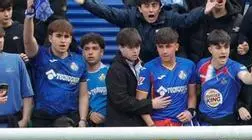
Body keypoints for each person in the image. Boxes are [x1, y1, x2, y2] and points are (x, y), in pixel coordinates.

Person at [76, 0, 213, 62]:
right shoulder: (130, 16)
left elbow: (187, 19)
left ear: (160, 7)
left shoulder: (170, 17)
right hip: (138, 65)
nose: (151, 10)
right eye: (146, 6)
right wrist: (86, 3)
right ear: (140, 8)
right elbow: (108, 12)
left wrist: (204, 11)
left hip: (163, 64)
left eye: (154, 5)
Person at [23, 5, 88, 128]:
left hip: (69, 118)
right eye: (58, 36)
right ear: (50, 38)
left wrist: (83, 119)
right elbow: (27, 40)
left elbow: (83, 94)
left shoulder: (79, 61)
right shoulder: (40, 55)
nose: (63, 40)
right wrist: (30, 14)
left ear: (70, 39)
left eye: (66, 36)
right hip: (42, 118)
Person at [0, 21, 32, 132]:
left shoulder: (17, 60)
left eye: (1, 37)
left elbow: (27, 93)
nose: (0, 40)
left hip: (13, 123)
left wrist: (24, 120)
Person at [82, 33, 108, 127]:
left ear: (102, 52)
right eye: (87, 49)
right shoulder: (78, 75)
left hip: (109, 127)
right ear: (82, 52)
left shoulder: (110, 73)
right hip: (86, 127)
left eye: (94, 48)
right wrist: (89, 114)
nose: (90, 52)